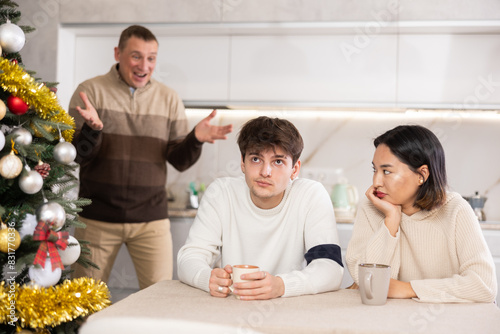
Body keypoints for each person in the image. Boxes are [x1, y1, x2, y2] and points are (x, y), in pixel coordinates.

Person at [68, 25, 233, 289]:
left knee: (159, 301)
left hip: (151, 221)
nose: (144, 65)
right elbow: (77, 157)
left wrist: (195, 139)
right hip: (97, 218)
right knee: (81, 301)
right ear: (117, 53)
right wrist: (93, 129)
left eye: (151, 58)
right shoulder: (90, 92)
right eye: (136, 56)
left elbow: (178, 160)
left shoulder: (169, 98)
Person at [177, 116, 344, 300]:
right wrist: (207, 278)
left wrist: (281, 286)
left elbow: (330, 268)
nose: (265, 172)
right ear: (242, 162)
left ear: (295, 169)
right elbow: (189, 257)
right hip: (232, 307)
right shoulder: (222, 193)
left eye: (278, 161)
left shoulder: (311, 195)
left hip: (292, 308)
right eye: (256, 159)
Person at [346, 125, 497, 303]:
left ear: (422, 175)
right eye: (375, 170)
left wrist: (408, 288)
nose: (376, 181)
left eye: (386, 171)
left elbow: (484, 286)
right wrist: (391, 221)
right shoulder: (371, 207)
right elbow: (368, 283)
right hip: (389, 319)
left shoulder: (456, 209)